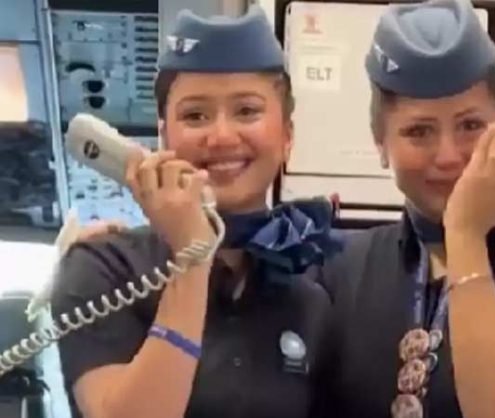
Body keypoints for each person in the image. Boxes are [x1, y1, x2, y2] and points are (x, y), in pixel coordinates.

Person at [50, 7, 340, 418]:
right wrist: (192, 256)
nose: (221, 136)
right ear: (164, 137)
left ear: (287, 136)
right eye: (195, 115)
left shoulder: (310, 298)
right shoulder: (104, 268)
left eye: (247, 111)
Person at [317, 0, 495, 417]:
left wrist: (465, 234)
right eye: (419, 131)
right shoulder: (343, 265)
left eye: (470, 126)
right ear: (381, 143)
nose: (449, 156)